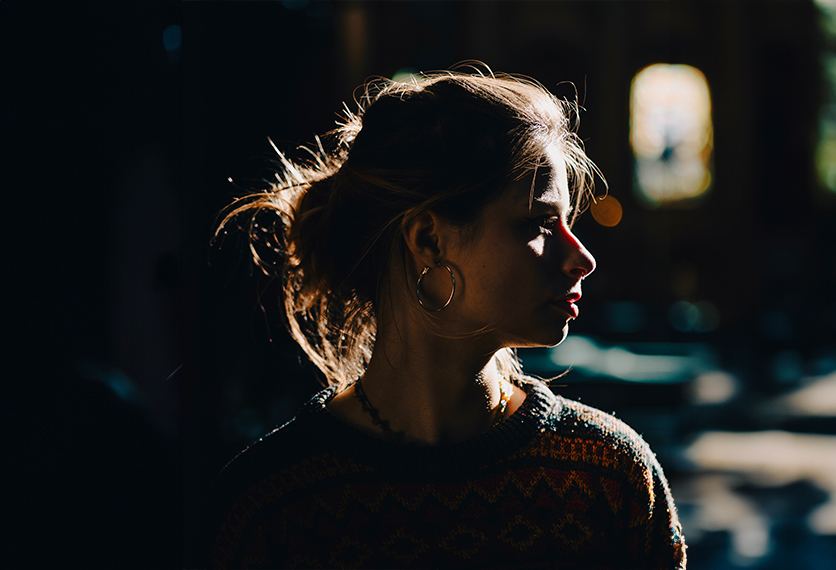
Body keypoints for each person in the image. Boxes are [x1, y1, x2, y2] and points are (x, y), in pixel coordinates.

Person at [198, 69, 687, 569]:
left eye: (569, 223)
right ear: (430, 240)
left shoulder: (609, 478)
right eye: (539, 223)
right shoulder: (273, 511)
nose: (582, 258)